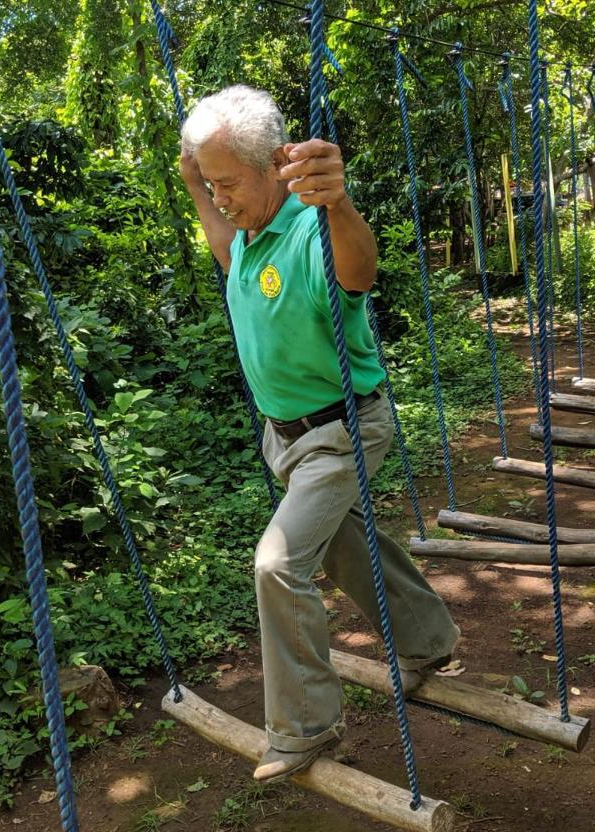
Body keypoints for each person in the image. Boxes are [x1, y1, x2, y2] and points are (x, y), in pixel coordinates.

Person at [179, 85, 460, 783]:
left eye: (227, 183)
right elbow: (219, 238)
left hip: (341, 432)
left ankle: (304, 726)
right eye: (210, 185)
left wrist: (335, 201)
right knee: (343, 545)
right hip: (286, 440)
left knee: (277, 564)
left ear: (276, 165)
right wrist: (194, 180)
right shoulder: (244, 237)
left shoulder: (309, 227)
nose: (220, 199)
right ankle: (430, 641)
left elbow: (357, 268)